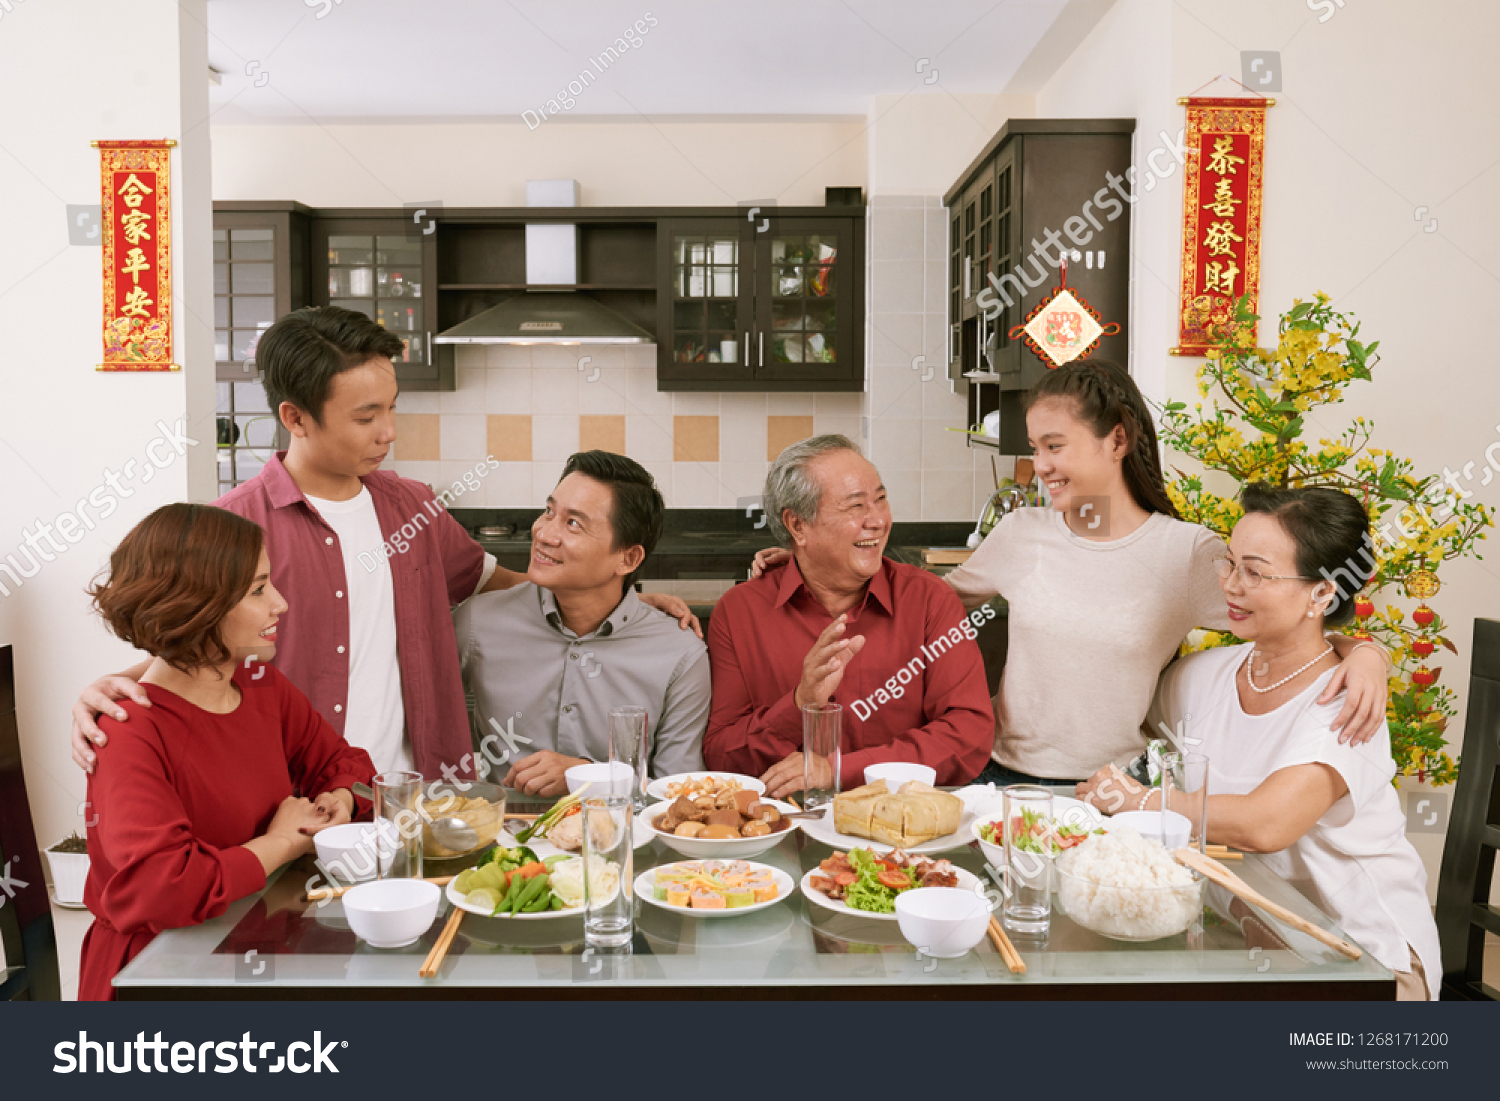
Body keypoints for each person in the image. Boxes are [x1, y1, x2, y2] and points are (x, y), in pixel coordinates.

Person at [69, 306, 696, 781]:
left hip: (419, 795)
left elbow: (508, 585)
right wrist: (115, 684)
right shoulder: (235, 528)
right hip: (292, 797)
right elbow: (190, 644)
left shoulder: (413, 509)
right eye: (366, 418)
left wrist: (631, 602)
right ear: (296, 418)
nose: (388, 432)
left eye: (392, 409)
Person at [754, 361, 1391, 784]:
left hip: (1116, 791)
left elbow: (1281, 618)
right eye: (1034, 447)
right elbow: (915, 602)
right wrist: (810, 558)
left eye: (1053, 446)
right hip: (998, 779)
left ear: (1117, 440)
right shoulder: (1022, 533)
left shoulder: (1187, 553)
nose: (1039, 464)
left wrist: (1363, 651)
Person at [1076, 484, 1441, 1000]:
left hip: (1362, 963)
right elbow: (1122, 733)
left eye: (1255, 572)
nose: (1231, 585)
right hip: (1252, 944)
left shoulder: (1347, 703)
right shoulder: (1203, 676)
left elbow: (1266, 824)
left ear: (1322, 593)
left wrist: (1140, 803)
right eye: (1229, 564)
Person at [78, 504, 376, 1001]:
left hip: (255, 943)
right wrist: (283, 842)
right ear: (196, 605)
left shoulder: (261, 684)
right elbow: (165, 887)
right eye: (258, 590)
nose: (280, 604)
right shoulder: (128, 733)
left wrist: (340, 800)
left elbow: (342, 764)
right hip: (162, 975)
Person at [703, 436, 994, 798]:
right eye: (855, 506)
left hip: (904, 831)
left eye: (881, 500)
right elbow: (721, 755)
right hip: (779, 831)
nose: (877, 520)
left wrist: (838, 771)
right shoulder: (740, 612)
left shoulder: (928, 601)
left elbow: (968, 736)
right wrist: (799, 704)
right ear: (797, 526)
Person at [454, 451, 709, 795]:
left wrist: (590, 777)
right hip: (505, 836)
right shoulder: (477, 623)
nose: (544, 533)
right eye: (549, 511)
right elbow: (420, 727)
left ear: (628, 558)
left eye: (573, 523)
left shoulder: (680, 653)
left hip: (624, 840)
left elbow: (679, 789)